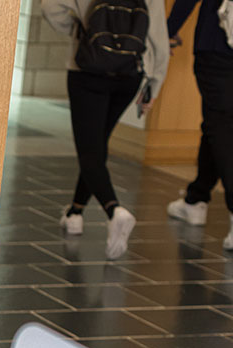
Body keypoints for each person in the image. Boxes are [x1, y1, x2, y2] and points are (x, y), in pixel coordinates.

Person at [42, 0, 170, 259]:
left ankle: (114, 211)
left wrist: (77, 30)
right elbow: (158, 35)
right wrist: (154, 84)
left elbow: (49, 6)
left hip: (88, 68)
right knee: (97, 145)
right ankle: (75, 212)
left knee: (89, 150)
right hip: (129, 73)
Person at [166, 0, 233, 250]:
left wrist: (167, 31)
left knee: (220, 122)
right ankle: (195, 200)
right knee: (217, 120)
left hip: (218, 40)